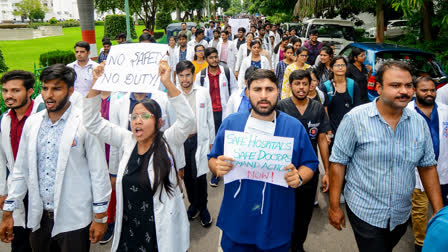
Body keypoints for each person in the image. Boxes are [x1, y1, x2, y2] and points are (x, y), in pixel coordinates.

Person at [328, 61, 444, 252]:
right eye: (396, 85)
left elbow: (427, 166)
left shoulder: (418, 123)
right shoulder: (355, 119)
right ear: (379, 88)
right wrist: (334, 206)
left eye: (408, 86)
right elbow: (338, 163)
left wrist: (438, 213)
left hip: (401, 214)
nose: (404, 91)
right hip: (364, 211)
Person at [84, 61, 194, 252]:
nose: (138, 121)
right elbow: (92, 122)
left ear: (159, 122)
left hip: (158, 232)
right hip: (129, 230)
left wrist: (168, 83)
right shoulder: (127, 141)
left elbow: (188, 121)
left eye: (145, 116)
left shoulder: (167, 139)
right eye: (134, 117)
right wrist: (96, 84)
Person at [0, 64, 111, 252]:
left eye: (56, 88)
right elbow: (21, 170)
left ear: (70, 90)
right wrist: (8, 211)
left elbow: (98, 172)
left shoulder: (84, 123)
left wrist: (100, 217)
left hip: (74, 218)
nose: (49, 95)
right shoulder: (33, 123)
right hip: (39, 216)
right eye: (45, 88)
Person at [208, 69, 319, 252]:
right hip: (237, 222)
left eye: (269, 89)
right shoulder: (231, 124)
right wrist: (216, 166)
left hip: (276, 223)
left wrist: (299, 177)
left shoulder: (294, 127)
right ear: (247, 92)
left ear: (278, 91)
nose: (264, 95)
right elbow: (213, 158)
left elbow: (310, 163)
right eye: (257, 89)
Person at [277, 70, 331, 252]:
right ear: (290, 85)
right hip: (282, 172)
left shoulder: (317, 108)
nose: (301, 88)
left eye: (305, 84)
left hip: (309, 172)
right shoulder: (280, 107)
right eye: (297, 84)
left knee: (304, 213)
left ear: (310, 86)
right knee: (282, 212)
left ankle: (298, 245)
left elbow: (322, 139)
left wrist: (327, 172)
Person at [0, 70, 39, 252]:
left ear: (30, 91)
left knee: (41, 239)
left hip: (39, 188)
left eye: (15, 91)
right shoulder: (5, 120)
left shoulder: (42, 118)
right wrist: (3, 191)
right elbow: (2, 158)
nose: (8, 96)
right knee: (19, 241)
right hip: (16, 188)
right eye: (5, 90)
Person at [407, 76, 448, 252]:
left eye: (432, 90)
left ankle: (442, 239)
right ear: (415, 91)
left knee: (442, 209)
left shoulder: (445, 111)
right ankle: (422, 243)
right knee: (419, 210)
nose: (429, 93)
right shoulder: (406, 112)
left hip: (443, 170)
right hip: (417, 173)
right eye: (424, 90)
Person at [175, 60, 215, 227]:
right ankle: (193, 204)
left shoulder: (203, 92)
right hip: (181, 141)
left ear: (193, 75)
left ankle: (203, 208)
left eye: (188, 75)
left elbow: (209, 118)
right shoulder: (173, 94)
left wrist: (212, 142)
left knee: (200, 176)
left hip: (199, 139)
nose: (185, 79)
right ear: (177, 76)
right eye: (181, 75)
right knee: (187, 177)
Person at [194, 47, 238, 187]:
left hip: (224, 112)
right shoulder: (201, 76)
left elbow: (235, 89)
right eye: (211, 57)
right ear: (206, 59)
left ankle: (230, 169)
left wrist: (232, 108)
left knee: (226, 140)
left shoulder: (226, 71)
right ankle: (215, 173)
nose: (214, 60)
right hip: (208, 113)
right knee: (212, 142)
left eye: (216, 57)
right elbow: (196, 94)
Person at [320, 56, 361, 140]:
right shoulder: (326, 86)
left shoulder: (353, 85)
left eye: (343, 65)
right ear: (331, 68)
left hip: (350, 127)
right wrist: (328, 131)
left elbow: (357, 108)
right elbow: (324, 111)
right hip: (332, 129)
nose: (340, 67)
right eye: (337, 65)